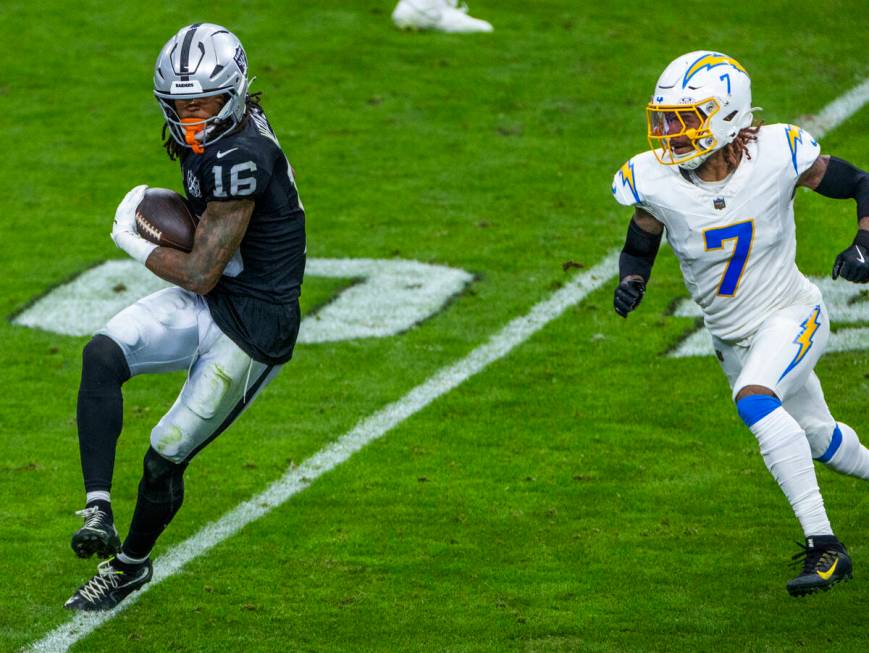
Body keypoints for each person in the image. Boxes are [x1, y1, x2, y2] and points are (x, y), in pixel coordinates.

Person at [64, 23, 306, 611]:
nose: (190, 117)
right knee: (101, 354)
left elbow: (201, 272)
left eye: (202, 104)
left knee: (166, 450)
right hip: (220, 292)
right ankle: (97, 507)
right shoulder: (221, 131)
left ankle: (129, 566)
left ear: (234, 92)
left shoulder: (241, 155)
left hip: (252, 322)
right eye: (179, 106)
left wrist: (133, 240)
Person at [611, 50, 869, 596]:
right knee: (819, 439)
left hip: (791, 313)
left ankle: (827, 547)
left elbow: (861, 184)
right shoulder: (654, 179)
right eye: (666, 119)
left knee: (755, 400)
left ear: (727, 116)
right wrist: (632, 279)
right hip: (730, 336)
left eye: (685, 119)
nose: (670, 133)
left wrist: (865, 243)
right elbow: (641, 238)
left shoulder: (778, 152)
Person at [392, 0, 493, 33]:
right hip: (434, 13)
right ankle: (429, 12)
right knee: (486, 27)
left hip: (406, 9)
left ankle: (411, 9)